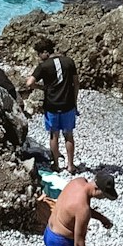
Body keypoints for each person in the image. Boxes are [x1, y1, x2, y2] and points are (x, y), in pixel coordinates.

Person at [24, 36, 80, 173]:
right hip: (68, 104)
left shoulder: (43, 66)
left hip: (52, 106)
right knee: (68, 135)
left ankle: (56, 164)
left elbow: (29, 83)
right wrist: (75, 101)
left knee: (54, 136)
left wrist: (41, 87)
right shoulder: (69, 62)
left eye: (39, 54)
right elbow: (76, 83)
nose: (39, 57)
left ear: (45, 52)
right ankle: (71, 165)